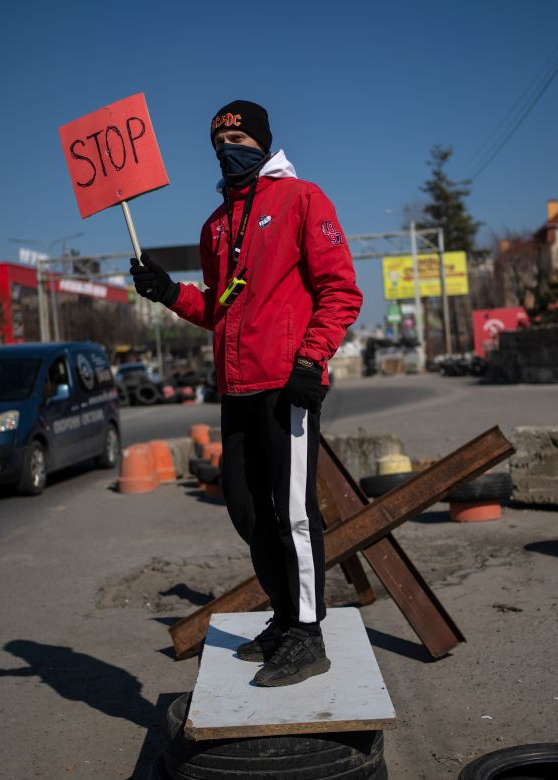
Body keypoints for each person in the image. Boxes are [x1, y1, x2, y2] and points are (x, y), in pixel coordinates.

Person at [130, 100, 362, 687]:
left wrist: (312, 359)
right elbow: (218, 307)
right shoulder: (214, 224)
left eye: (238, 136)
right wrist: (166, 291)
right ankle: (285, 618)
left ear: (262, 141)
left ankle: (307, 634)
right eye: (219, 139)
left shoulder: (303, 199)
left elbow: (342, 290)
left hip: (289, 384)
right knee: (243, 507)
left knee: (294, 516)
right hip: (236, 387)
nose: (228, 146)